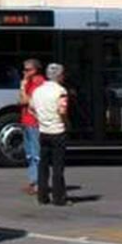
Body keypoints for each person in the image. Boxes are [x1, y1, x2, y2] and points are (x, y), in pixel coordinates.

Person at [31, 63, 70, 206]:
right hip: (57, 131)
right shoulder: (61, 91)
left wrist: (42, 119)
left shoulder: (37, 91)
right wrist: (67, 123)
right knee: (58, 167)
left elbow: (31, 108)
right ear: (59, 76)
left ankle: (42, 197)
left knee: (43, 166)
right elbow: (62, 111)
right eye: (63, 74)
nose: (64, 76)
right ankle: (58, 198)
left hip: (43, 132)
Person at [18, 59, 45, 195]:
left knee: (36, 154)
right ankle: (33, 182)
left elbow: (26, 101)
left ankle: (38, 184)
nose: (24, 72)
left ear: (35, 70)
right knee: (29, 154)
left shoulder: (38, 82)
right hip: (26, 121)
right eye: (24, 69)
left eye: (27, 70)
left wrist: (22, 87)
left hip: (34, 122)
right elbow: (21, 100)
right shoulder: (29, 82)